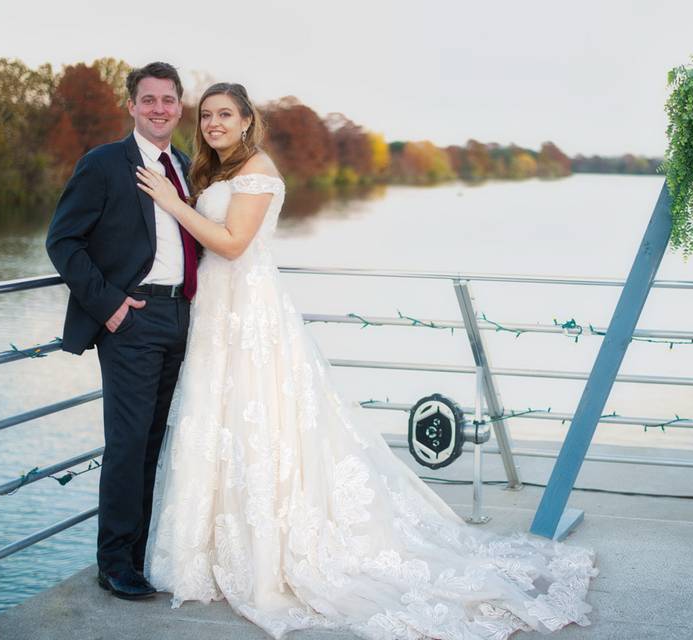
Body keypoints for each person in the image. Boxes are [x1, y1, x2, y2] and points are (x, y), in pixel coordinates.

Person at [138, 82, 598, 639]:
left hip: (249, 314)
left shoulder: (258, 169)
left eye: (225, 114)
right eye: (207, 115)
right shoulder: (209, 171)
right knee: (218, 423)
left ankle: (269, 555)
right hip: (216, 312)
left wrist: (171, 202)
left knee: (258, 425)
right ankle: (206, 551)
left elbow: (233, 244)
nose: (213, 123)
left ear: (246, 120)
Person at [46, 62, 197, 600]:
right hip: (131, 321)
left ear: (181, 106)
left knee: (160, 442)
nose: (159, 108)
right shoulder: (105, 163)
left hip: (182, 319)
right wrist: (110, 306)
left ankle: (141, 554)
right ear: (131, 106)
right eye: (149, 99)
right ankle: (116, 563)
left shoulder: (183, 166)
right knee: (129, 445)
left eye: (168, 99)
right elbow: (63, 242)